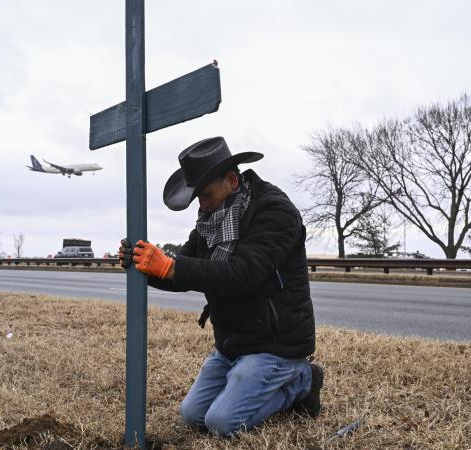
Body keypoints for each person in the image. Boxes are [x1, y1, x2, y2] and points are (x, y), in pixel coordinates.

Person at [118, 136, 322, 437]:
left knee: (221, 423)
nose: (202, 204)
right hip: (232, 343)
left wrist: (172, 266)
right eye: (198, 197)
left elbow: (243, 272)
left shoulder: (275, 212)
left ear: (231, 179)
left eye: (206, 194)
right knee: (193, 416)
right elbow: (185, 272)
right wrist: (143, 266)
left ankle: (303, 380)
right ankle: (252, 378)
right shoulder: (211, 220)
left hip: (277, 344)